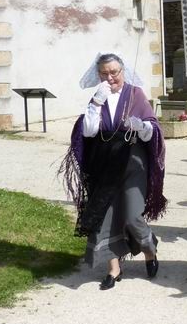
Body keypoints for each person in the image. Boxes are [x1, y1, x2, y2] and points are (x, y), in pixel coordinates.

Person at [60, 53, 167, 290]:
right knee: (104, 215)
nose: (110, 78)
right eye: (104, 73)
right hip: (105, 163)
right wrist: (97, 103)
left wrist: (141, 126)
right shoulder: (98, 97)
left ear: (122, 71)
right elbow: (88, 131)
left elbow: (154, 129)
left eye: (114, 72)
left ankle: (149, 250)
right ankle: (113, 268)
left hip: (132, 161)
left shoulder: (135, 94)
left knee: (132, 216)